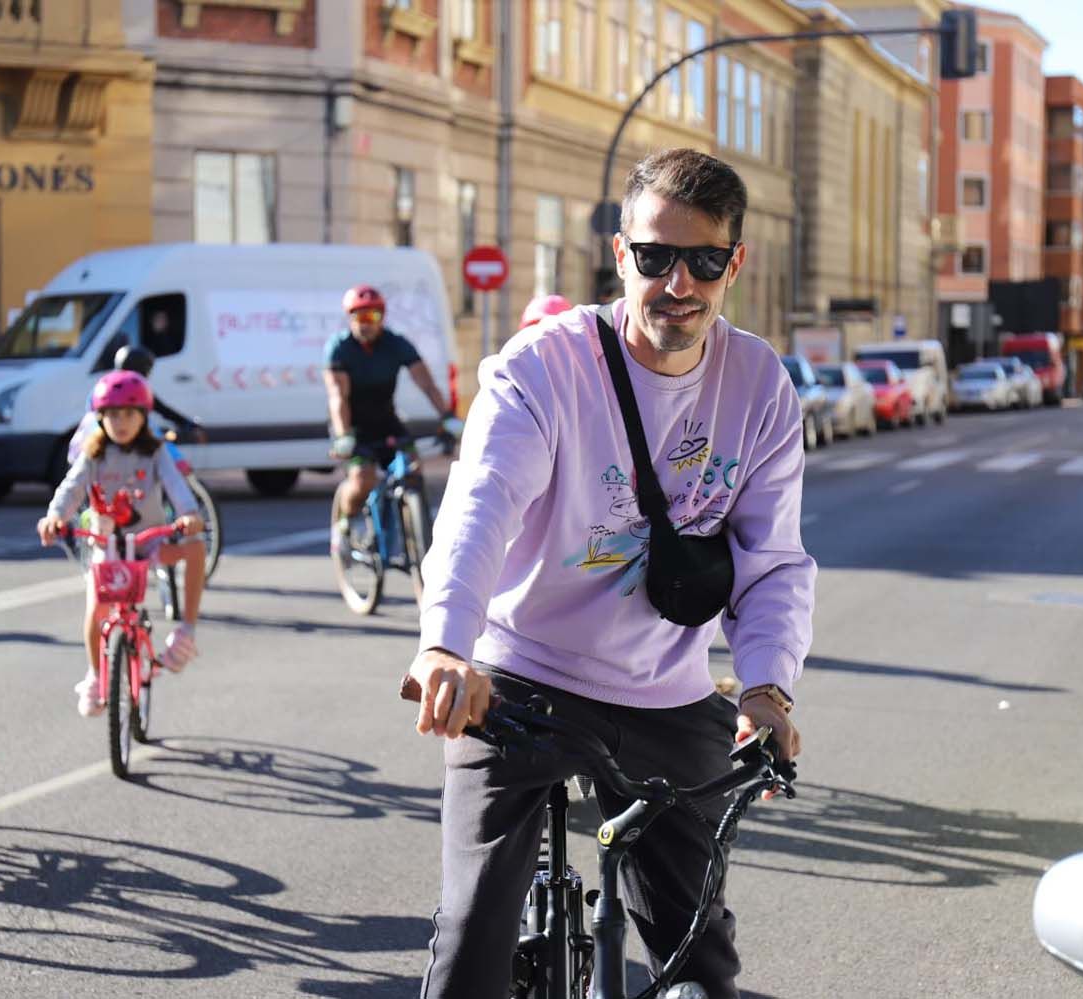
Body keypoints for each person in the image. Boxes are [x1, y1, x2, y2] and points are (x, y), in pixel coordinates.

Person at [405, 148, 816, 999]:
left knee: (700, 967)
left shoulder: (760, 385)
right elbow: (480, 507)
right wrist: (447, 645)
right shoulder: (543, 366)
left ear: (733, 262)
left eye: (704, 261)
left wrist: (767, 691)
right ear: (620, 253)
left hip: (667, 693)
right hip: (522, 675)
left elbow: (772, 561)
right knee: (473, 940)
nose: (678, 284)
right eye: (656, 257)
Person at [37, 371, 205, 716]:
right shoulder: (94, 453)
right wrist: (55, 516)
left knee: (196, 547)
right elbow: (72, 488)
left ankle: (186, 630)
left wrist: (189, 514)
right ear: (100, 417)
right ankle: (97, 675)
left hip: (149, 544)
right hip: (109, 547)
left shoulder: (156, 452)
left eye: (129, 414)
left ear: (144, 416)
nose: (121, 422)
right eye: (112, 414)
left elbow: (177, 487)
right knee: (96, 607)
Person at [322, 285, 461, 540]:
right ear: (350, 319)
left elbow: (427, 384)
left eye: (372, 317)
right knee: (364, 478)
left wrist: (447, 416)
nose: (365, 324)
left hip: (386, 421)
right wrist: (343, 436)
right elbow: (337, 396)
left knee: (413, 471)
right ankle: (345, 522)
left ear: (382, 318)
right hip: (352, 426)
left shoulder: (396, 344)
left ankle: (416, 537)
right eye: (359, 317)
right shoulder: (339, 347)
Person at [65, 343, 204, 463]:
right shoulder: (131, 390)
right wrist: (186, 424)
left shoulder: (105, 386)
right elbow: (161, 410)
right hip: (107, 452)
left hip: (89, 448)